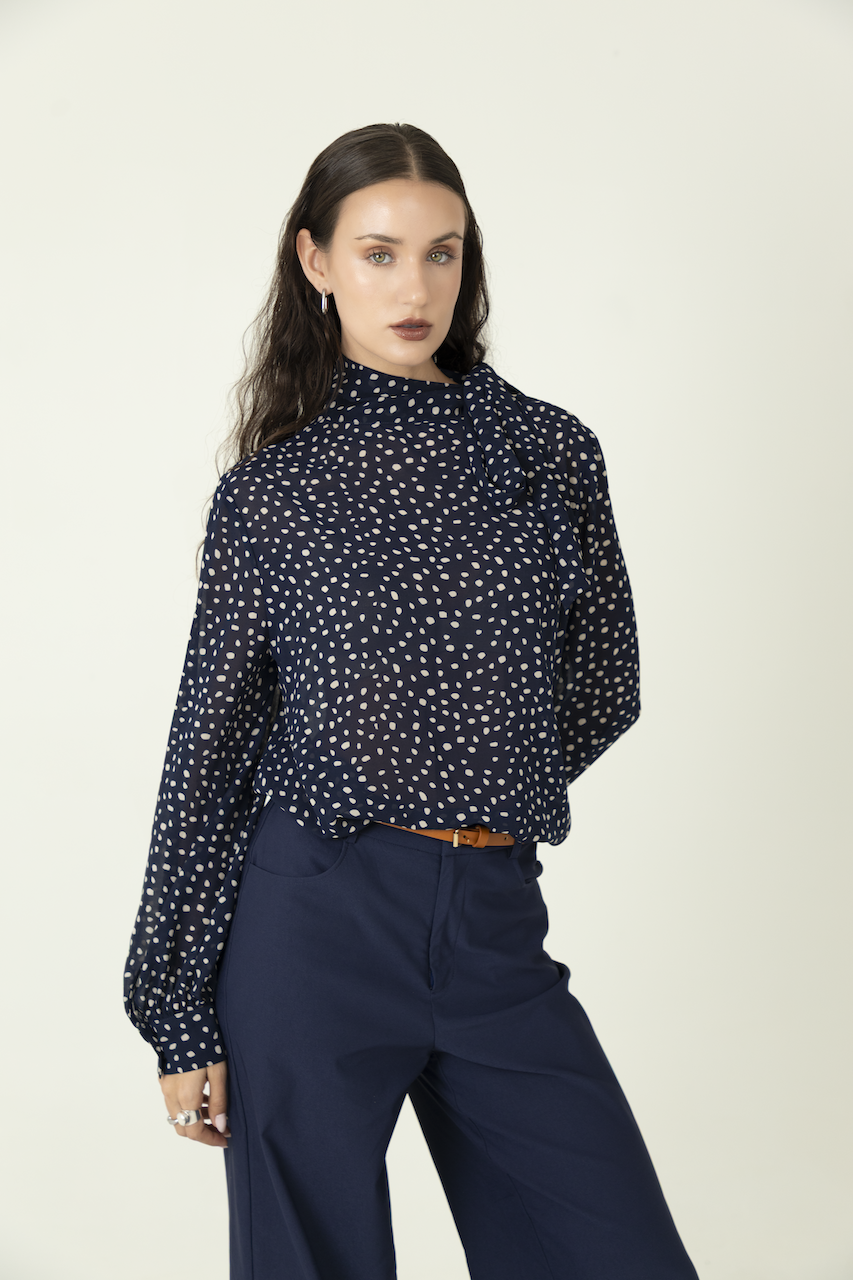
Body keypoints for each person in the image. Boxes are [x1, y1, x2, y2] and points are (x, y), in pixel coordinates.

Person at [125, 122, 698, 1280]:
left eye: (442, 252)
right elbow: (210, 749)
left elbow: (605, 679)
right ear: (316, 260)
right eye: (379, 253)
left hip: (491, 916)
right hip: (312, 921)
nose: (415, 286)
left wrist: (471, 766)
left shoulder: (546, 453)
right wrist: (176, 1007)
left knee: (616, 1248)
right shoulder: (272, 494)